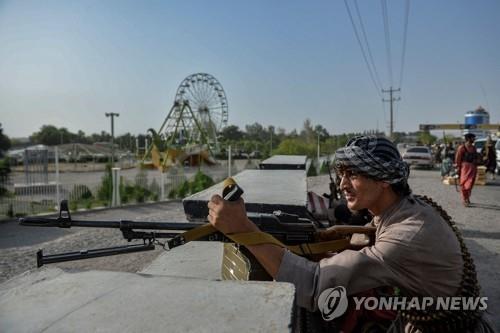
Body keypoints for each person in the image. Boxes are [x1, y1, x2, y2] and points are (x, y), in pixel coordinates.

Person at [208, 135, 494, 332]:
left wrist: (243, 229)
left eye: (353, 174)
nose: (343, 184)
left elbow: (314, 285)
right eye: (341, 173)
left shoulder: (406, 234)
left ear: (383, 180)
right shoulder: (409, 208)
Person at [455, 133, 478, 206]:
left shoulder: (474, 148)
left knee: (470, 184)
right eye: (473, 138)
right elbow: (458, 158)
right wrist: (457, 167)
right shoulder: (462, 148)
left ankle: (467, 198)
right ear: (468, 139)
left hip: (473, 167)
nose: (474, 139)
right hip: (464, 168)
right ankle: (465, 199)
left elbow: (476, 157)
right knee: (464, 184)